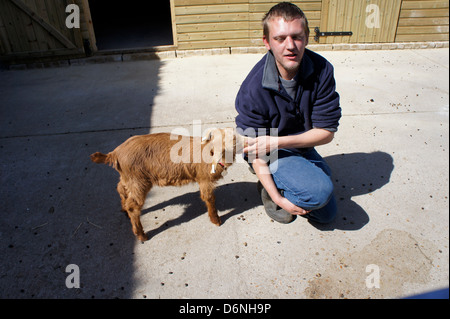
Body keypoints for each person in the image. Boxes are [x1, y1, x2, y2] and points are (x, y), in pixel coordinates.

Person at [235, 2, 341, 224]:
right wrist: (278, 199)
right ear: (267, 42)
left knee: (325, 213)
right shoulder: (252, 89)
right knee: (319, 193)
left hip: (287, 143)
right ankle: (268, 189)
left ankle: (294, 181)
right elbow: (253, 150)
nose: (290, 45)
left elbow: (327, 132)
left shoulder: (322, 70)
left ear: (307, 38)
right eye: (280, 38)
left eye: (297, 37)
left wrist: (277, 142)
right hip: (266, 152)